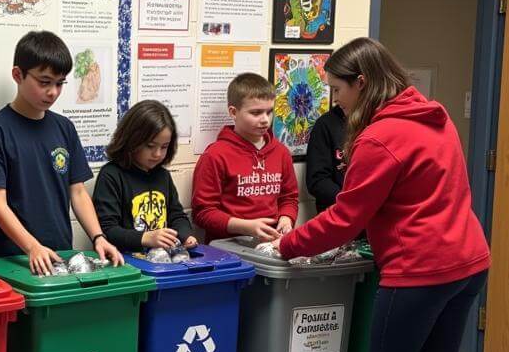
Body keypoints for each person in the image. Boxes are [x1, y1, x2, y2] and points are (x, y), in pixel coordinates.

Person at [276, 38, 491, 352]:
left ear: (363, 83)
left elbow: (345, 220)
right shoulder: (435, 119)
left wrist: (287, 247)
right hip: (468, 261)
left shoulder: (379, 138)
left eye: (338, 89)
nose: (335, 101)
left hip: (419, 270)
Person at [0, 31, 122, 274]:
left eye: (60, 83)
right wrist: (32, 247)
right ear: (18, 75)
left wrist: (98, 237)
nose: (53, 92)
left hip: (60, 254)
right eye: (44, 82)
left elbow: (78, 192)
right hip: (13, 258)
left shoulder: (64, 128)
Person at [190, 72, 299, 243]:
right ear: (233, 112)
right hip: (228, 246)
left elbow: (289, 198)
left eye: (269, 112)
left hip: (271, 243)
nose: (265, 120)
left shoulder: (281, 152)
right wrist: (245, 226)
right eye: (256, 113)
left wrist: (286, 218)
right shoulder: (215, 155)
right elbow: (203, 212)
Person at [92, 100, 198, 254]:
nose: (157, 154)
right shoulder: (111, 175)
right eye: (150, 146)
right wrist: (145, 238)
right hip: (125, 262)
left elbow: (177, 215)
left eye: (164, 147)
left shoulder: (162, 176)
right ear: (132, 140)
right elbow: (107, 230)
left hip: (161, 259)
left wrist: (185, 235)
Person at [305, 104, 347, 213]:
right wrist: (350, 202)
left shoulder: (376, 121)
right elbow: (317, 181)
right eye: (335, 90)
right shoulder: (325, 124)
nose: (337, 97)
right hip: (337, 214)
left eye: (338, 90)